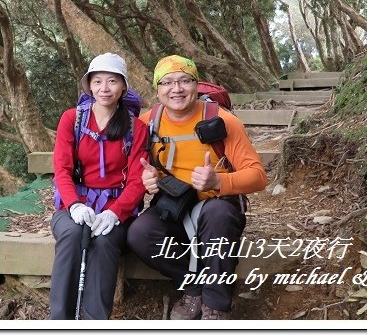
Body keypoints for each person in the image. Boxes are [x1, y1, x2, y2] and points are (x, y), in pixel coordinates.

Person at [127, 55, 268, 320]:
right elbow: (139, 167)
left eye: (184, 81)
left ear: (196, 85)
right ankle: (194, 285)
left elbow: (259, 176)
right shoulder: (148, 123)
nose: (176, 89)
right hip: (175, 203)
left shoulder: (223, 121)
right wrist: (147, 181)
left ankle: (216, 306)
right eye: (167, 82)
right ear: (157, 90)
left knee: (217, 215)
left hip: (218, 206)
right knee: (139, 233)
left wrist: (219, 181)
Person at [49, 53, 149, 320]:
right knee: (71, 234)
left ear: (124, 86)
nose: (105, 88)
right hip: (73, 206)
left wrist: (116, 212)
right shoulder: (72, 119)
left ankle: (94, 322)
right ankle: (59, 320)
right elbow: (62, 168)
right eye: (98, 81)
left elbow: (138, 178)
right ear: (89, 86)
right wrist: (74, 204)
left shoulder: (135, 128)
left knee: (105, 242)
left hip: (116, 209)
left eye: (113, 81)